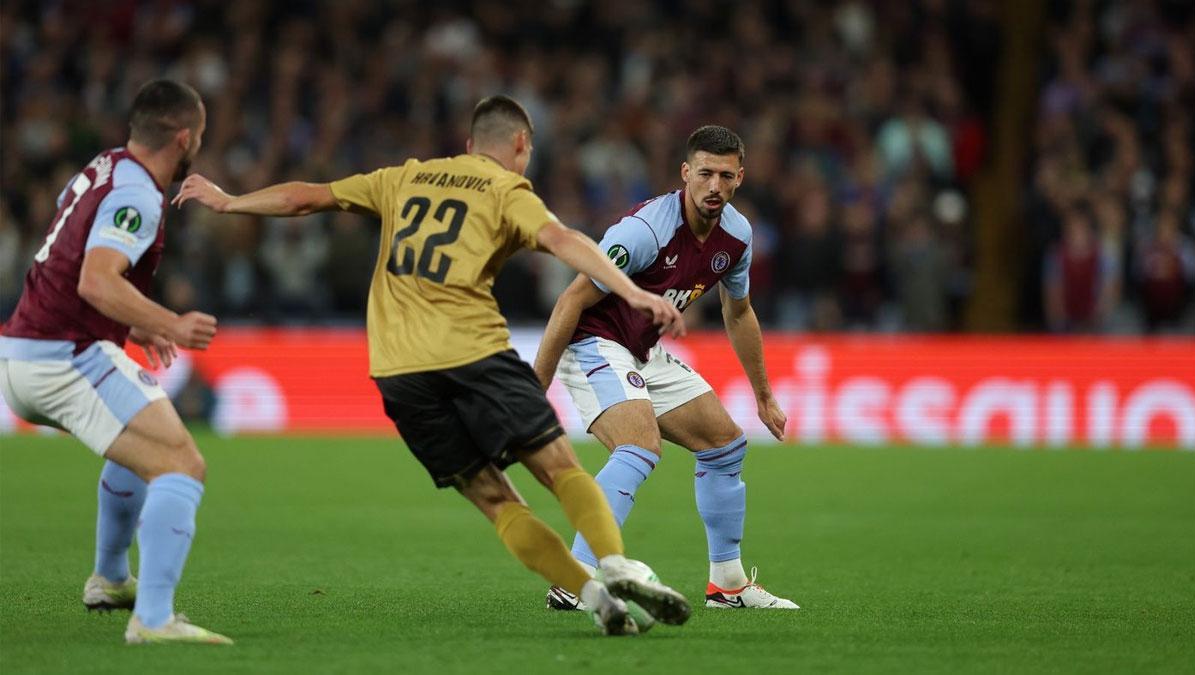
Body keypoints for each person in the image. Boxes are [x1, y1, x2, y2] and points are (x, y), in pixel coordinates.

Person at [173, 95, 692, 635]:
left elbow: (308, 199)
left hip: (398, 371)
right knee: (561, 470)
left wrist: (230, 202)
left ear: (468, 145)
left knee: (496, 501)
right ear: (520, 145)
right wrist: (632, 292)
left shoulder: (404, 178)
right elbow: (561, 239)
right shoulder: (506, 188)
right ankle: (612, 564)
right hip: (472, 350)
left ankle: (592, 596)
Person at [0, 80, 231, 644]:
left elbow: (68, 265)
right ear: (183, 138)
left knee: (139, 445)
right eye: (198, 137)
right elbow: (96, 278)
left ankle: (110, 578)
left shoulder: (104, 167)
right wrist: (168, 322)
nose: (197, 147)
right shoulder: (139, 195)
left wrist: (133, 325)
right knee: (181, 465)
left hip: (24, 352)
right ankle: (153, 619)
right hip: (64, 356)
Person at [533, 125, 798, 611]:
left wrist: (763, 394)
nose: (714, 186)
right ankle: (575, 576)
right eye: (704, 174)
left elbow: (737, 312)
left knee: (724, 443)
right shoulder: (645, 230)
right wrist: (537, 387)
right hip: (594, 340)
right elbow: (572, 299)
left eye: (724, 175)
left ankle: (728, 586)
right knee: (638, 445)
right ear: (685, 173)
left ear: (740, 177)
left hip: (642, 348)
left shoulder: (737, 235)